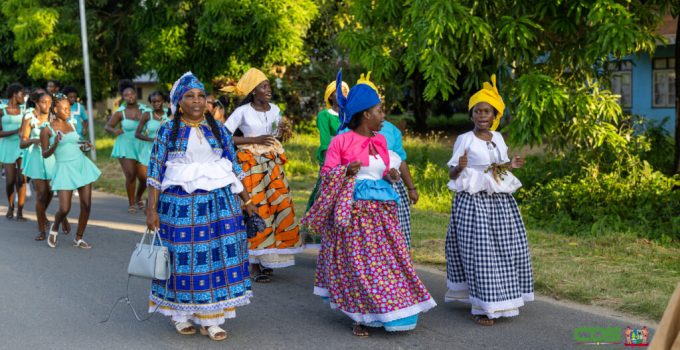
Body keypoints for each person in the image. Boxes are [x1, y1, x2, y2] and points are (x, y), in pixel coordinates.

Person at [302, 71, 436, 337]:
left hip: (383, 213)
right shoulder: (341, 141)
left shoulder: (382, 140)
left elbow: (383, 171)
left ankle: (390, 310)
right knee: (359, 266)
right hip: (354, 214)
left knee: (388, 262)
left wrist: (391, 175)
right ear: (365, 114)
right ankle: (361, 316)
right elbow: (327, 176)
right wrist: (346, 172)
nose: (383, 116)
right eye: (379, 111)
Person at [145, 72, 257, 341]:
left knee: (218, 258)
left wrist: (248, 201)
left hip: (220, 205)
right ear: (179, 102)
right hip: (180, 208)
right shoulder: (167, 130)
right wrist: (151, 209)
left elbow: (234, 167)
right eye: (189, 96)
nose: (196, 101)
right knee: (184, 261)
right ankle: (181, 315)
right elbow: (154, 172)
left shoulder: (217, 129)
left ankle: (212, 319)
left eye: (200, 96)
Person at [444, 75, 533, 326]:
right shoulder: (465, 139)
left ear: (495, 115)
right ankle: (483, 306)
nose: (482, 115)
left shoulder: (498, 138)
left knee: (505, 250)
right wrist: (459, 168)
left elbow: (497, 171)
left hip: (499, 204)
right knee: (480, 253)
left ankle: (504, 299)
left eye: (487, 111)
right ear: (471, 115)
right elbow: (452, 174)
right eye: (478, 111)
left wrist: (510, 165)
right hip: (473, 204)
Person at [223, 68, 302, 282]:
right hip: (250, 164)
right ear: (253, 90)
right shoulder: (242, 112)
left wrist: (284, 133)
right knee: (256, 209)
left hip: (272, 163)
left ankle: (268, 260)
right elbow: (225, 136)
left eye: (268, 86)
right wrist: (255, 140)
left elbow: (275, 136)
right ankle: (253, 263)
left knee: (279, 208)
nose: (269, 90)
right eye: (264, 86)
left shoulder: (275, 109)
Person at [40, 95, 100, 249]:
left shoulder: (72, 124)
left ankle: (78, 238)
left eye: (69, 108)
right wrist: (55, 143)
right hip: (64, 169)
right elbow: (45, 153)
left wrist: (84, 144)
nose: (68, 111)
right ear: (55, 109)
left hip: (81, 166)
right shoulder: (47, 129)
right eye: (65, 109)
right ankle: (55, 227)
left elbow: (73, 143)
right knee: (64, 208)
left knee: (86, 205)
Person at [20, 91, 68, 240]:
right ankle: (41, 230)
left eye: (49, 102)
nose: (47, 105)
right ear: (36, 103)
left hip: (52, 158)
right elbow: (22, 142)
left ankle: (60, 217)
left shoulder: (54, 118)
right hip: (36, 159)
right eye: (43, 102)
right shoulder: (29, 118)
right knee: (41, 194)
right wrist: (35, 140)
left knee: (51, 192)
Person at [304, 80, 349, 212]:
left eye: (346, 91)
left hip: (350, 160)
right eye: (339, 91)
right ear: (330, 96)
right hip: (332, 159)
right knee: (323, 193)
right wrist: (328, 164)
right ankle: (312, 228)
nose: (343, 93)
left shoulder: (351, 115)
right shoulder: (324, 115)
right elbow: (325, 141)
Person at [105, 79, 146, 214]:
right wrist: (114, 130)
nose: (130, 97)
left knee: (144, 178)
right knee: (131, 174)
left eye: (132, 94)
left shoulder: (145, 110)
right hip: (125, 144)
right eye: (126, 95)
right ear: (123, 97)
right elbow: (108, 126)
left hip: (141, 144)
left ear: (135, 94)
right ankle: (131, 202)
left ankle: (139, 197)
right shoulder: (120, 112)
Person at [0, 83, 27, 221]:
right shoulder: (1, 110)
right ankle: (11, 206)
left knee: (22, 179)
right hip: (7, 147)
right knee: (10, 181)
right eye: (22, 93)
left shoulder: (24, 110)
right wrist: (15, 131)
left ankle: (20, 211)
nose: (24, 96)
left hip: (22, 146)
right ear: (14, 94)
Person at [135, 91, 170, 169]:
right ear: (150, 103)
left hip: (166, 148)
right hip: (150, 149)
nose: (156, 104)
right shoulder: (147, 114)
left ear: (163, 101)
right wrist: (151, 139)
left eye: (158, 101)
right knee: (150, 176)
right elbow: (137, 134)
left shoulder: (169, 113)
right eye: (153, 102)